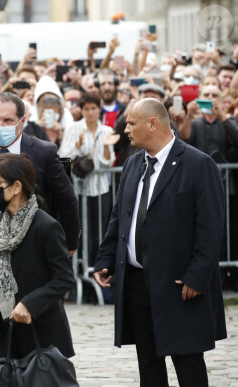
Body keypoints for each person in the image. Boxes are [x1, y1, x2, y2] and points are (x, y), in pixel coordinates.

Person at [94, 98, 227, 387]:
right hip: (138, 283)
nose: (126, 129)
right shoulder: (132, 164)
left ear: (153, 124)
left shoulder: (198, 164)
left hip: (180, 285)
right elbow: (120, 217)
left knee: (188, 362)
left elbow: (211, 227)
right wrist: (106, 259)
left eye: (131, 123)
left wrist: (197, 276)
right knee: (149, 365)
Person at [0, 92, 80, 347]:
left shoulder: (43, 151)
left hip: (26, 255)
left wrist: (68, 245)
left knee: (26, 330)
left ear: (22, 121)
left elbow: (66, 201)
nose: (0, 126)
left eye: (7, 120)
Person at [0, 153, 75, 360]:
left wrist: (29, 304)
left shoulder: (46, 226)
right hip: (3, 329)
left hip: (40, 332)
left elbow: (64, 278)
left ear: (16, 187)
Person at [59, 93, 117, 266]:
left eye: (93, 108)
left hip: (101, 190)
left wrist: (106, 147)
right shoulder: (73, 128)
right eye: (86, 109)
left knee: (100, 233)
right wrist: (77, 146)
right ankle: (82, 270)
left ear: (99, 109)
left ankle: (97, 269)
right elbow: (62, 156)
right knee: (82, 235)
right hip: (80, 190)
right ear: (82, 110)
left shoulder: (107, 130)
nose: (90, 112)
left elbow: (107, 163)